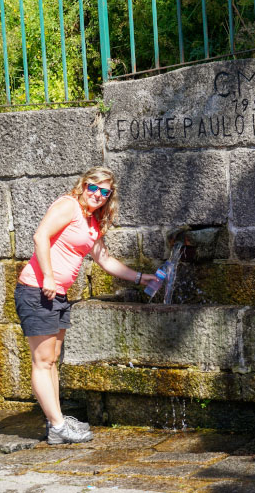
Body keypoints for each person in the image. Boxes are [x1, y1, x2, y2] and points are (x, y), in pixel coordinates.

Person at [13, 166, 157, 444]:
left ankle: (56, 420)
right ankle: (57, 425)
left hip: (57, 295)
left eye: (105, 191)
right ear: (83, 184)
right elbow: (40, 236)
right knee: (42, 361)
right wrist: (49, 278)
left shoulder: (91, 221)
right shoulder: (68, 205)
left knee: (52, 360)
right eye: (93, 187)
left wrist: (141, 278)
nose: (98, 194)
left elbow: (104, 259)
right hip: (37, 289)